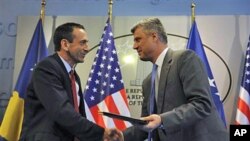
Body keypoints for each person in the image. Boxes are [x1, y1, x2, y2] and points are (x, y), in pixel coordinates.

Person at [122, 18, 229, 141]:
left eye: (138, 39)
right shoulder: (147, 82)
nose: (134, 46)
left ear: (154, 36)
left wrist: (162, 120)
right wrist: (121, 136)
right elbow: (147, 122)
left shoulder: (185, 59)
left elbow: (202, 104)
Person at [19, 22, 122, 141]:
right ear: (65, 44)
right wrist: (100, 133)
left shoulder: (73, 76)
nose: (87, 48)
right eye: (82, 43)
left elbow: (76, 115)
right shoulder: (47, 68)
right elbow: (61, 110)